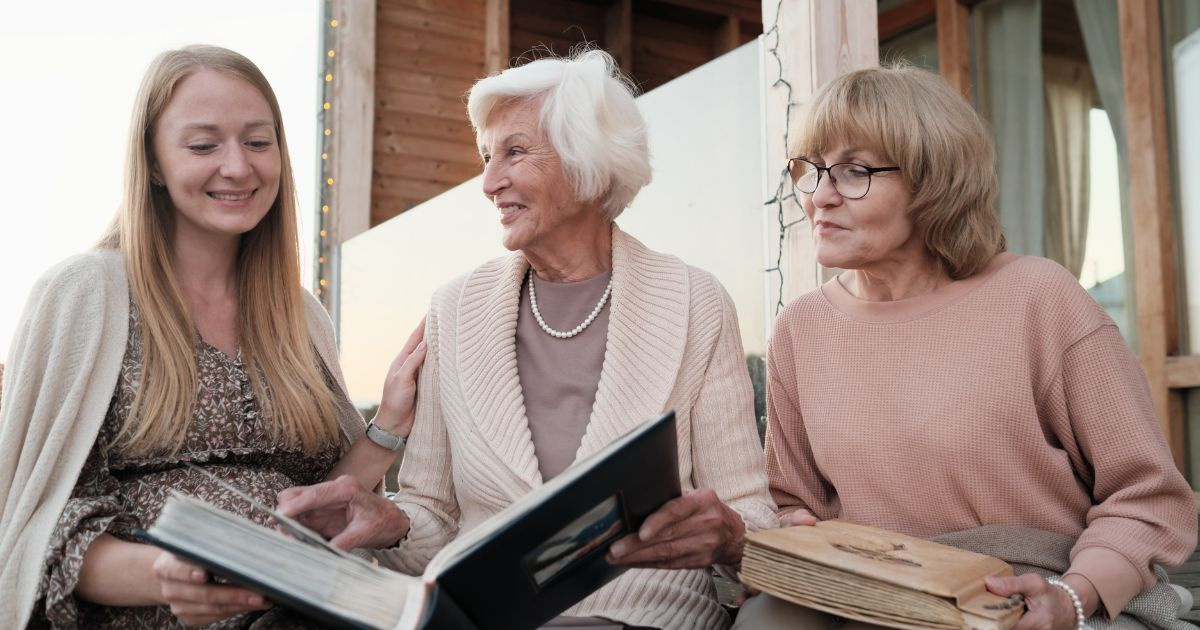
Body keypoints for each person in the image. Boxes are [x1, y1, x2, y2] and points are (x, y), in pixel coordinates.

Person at [276, 49, 777, 630]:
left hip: (640, 619)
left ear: (588, 160)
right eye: (487, 158)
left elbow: (751, 516)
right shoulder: (455, 309)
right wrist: (394, 523)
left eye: (514, 152)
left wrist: (731, 537)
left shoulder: (696, 301)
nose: (489, 183)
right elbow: (432, 513)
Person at [734, 65, 1197, 630]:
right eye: (812, 170)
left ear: (935, 182)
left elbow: (1149, 495)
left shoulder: (1039, 298)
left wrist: (1075, 596)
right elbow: (792, 499)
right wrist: (792, 537)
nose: (821, 196)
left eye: (854, 171)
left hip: (1032, 591)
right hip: (869, 594)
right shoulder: (800, 328)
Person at [0, 45, 424, 629]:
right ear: (151, 162)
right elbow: (37, 524)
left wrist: (389, 426)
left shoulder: (299, 314)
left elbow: (310, 507)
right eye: (204, 145)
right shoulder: (84, 293)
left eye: (257, 141)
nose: (238, 167)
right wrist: (167, 574)